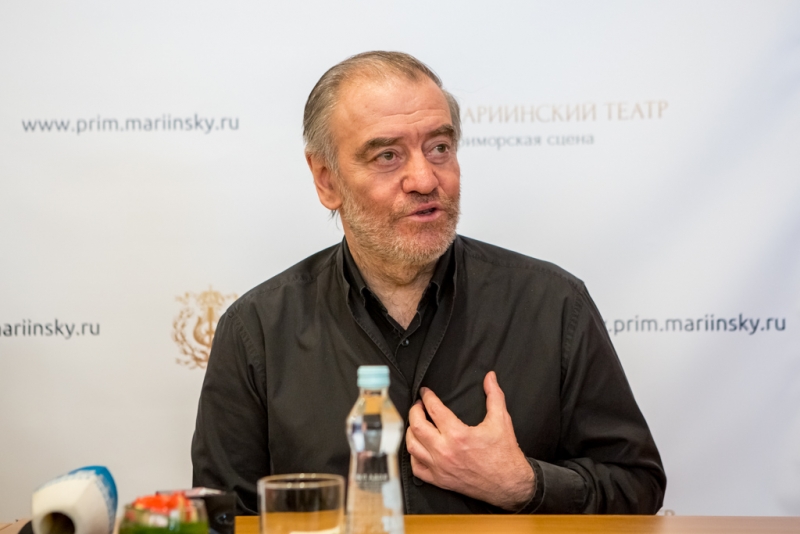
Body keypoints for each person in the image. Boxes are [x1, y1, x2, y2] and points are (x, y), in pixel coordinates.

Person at [191, 51, 666, 515]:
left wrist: (524, 484)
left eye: (439, 148)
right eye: (387, 155)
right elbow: (221, 520)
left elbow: (637, 486)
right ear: (326, 180)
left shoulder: (554, 305)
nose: (423, 179)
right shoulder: (257, 331)